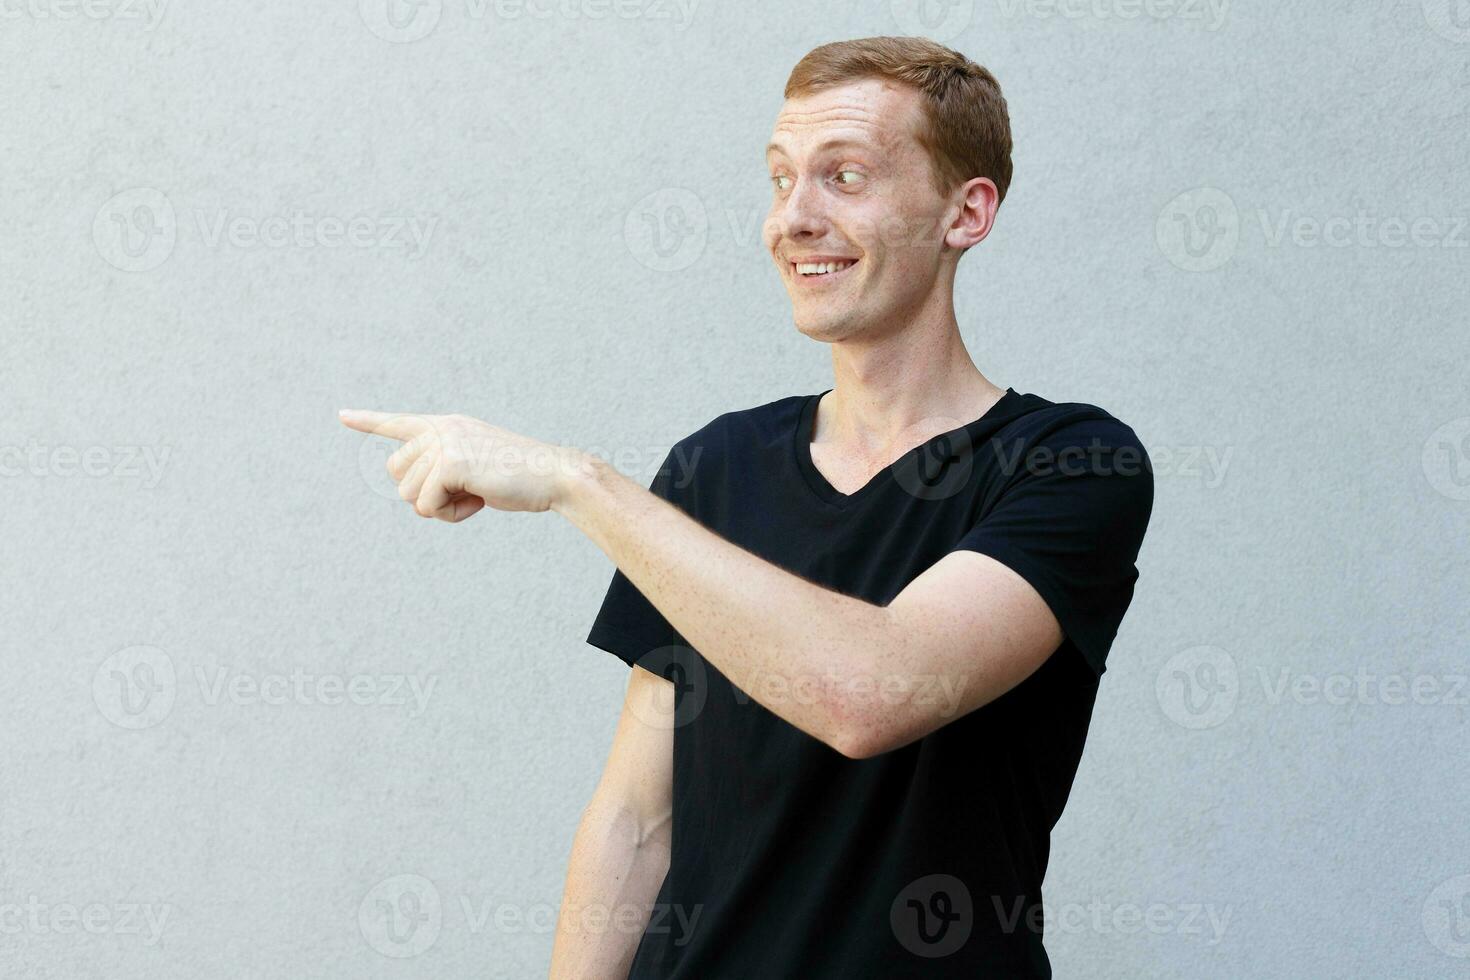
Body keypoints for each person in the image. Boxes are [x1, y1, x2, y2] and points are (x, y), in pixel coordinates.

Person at [339, 35, 1154, 979]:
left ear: (964, 212)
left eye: (845, 177)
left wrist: (581, 483)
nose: (793, 219)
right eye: (780, 180)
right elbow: (637, 821)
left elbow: (872, 694)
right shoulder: (718, 468)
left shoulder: (1068, 465)